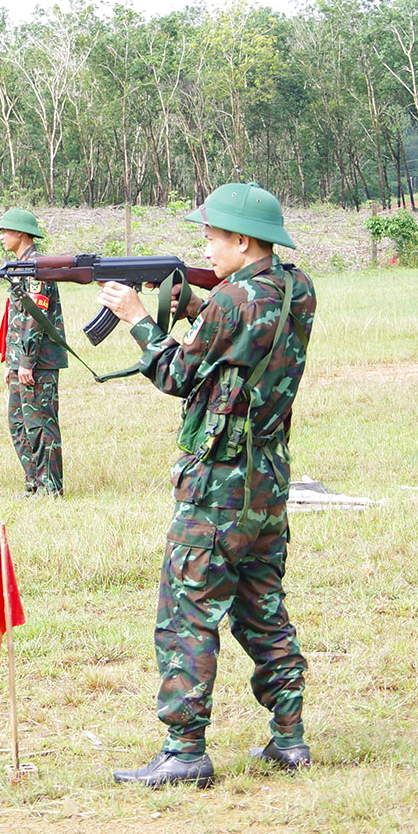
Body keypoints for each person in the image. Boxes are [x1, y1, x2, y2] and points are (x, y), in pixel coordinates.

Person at [97, 183, 316, 789]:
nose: (206, 248)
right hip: (266, 482)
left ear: (243, 241)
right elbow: (243, 337)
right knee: (262, 608)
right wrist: (196, 304)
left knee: (186, 614)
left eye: (213, 237)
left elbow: (177, 374)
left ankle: (184, 750)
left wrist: (139, 319)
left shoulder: (232, 301)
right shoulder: (297, 288)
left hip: (216, 484)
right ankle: (289, 737)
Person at [0, 209, 65, 497]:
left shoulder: (37, 268)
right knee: (19, 424)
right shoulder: (22, 266)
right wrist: (12, 362)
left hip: (38, 362)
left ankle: (50, 488)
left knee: (41, 425)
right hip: (21, 361)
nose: (1, 237)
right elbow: (17, 318)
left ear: (20, 233)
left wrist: (26, 362)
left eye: (5, 231)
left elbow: (35, 317)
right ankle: (34, 484)